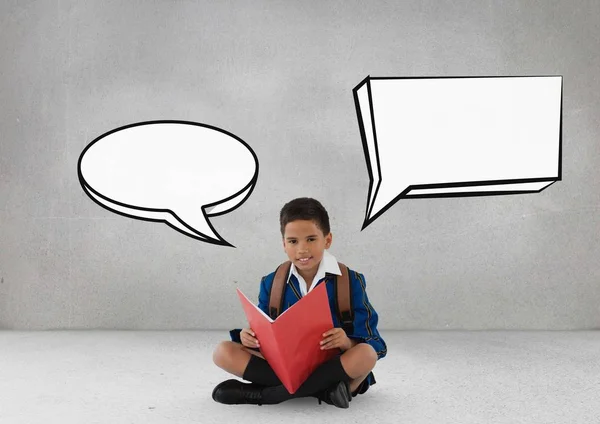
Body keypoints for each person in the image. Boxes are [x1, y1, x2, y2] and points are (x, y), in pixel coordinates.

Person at [211, 197, 387, 408]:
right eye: (293, 241)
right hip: (287, 367)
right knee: (223, 352)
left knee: (366, 355)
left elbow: (376, 344)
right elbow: (265, 328)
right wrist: (249, 337)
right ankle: (326, 392)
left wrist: (346, 342)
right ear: (284, 244)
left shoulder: (350, 281)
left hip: (335, 366)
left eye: (311, 239)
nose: (302, 249)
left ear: (327, 240)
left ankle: (265, 395)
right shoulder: (272, 282)